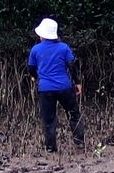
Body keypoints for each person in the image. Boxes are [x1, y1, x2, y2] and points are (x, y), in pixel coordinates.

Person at [27, 17, 85, 152]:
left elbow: (31, 68)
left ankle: (51, 148)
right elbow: (72, 66)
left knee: (49, 121)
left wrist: (35, 77)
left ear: (42, 35)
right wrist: (77, 83)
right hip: (64, 87)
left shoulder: (36, 50)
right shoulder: (64, 47)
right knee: (74, 114)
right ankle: (79, 143)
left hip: (45, 89)